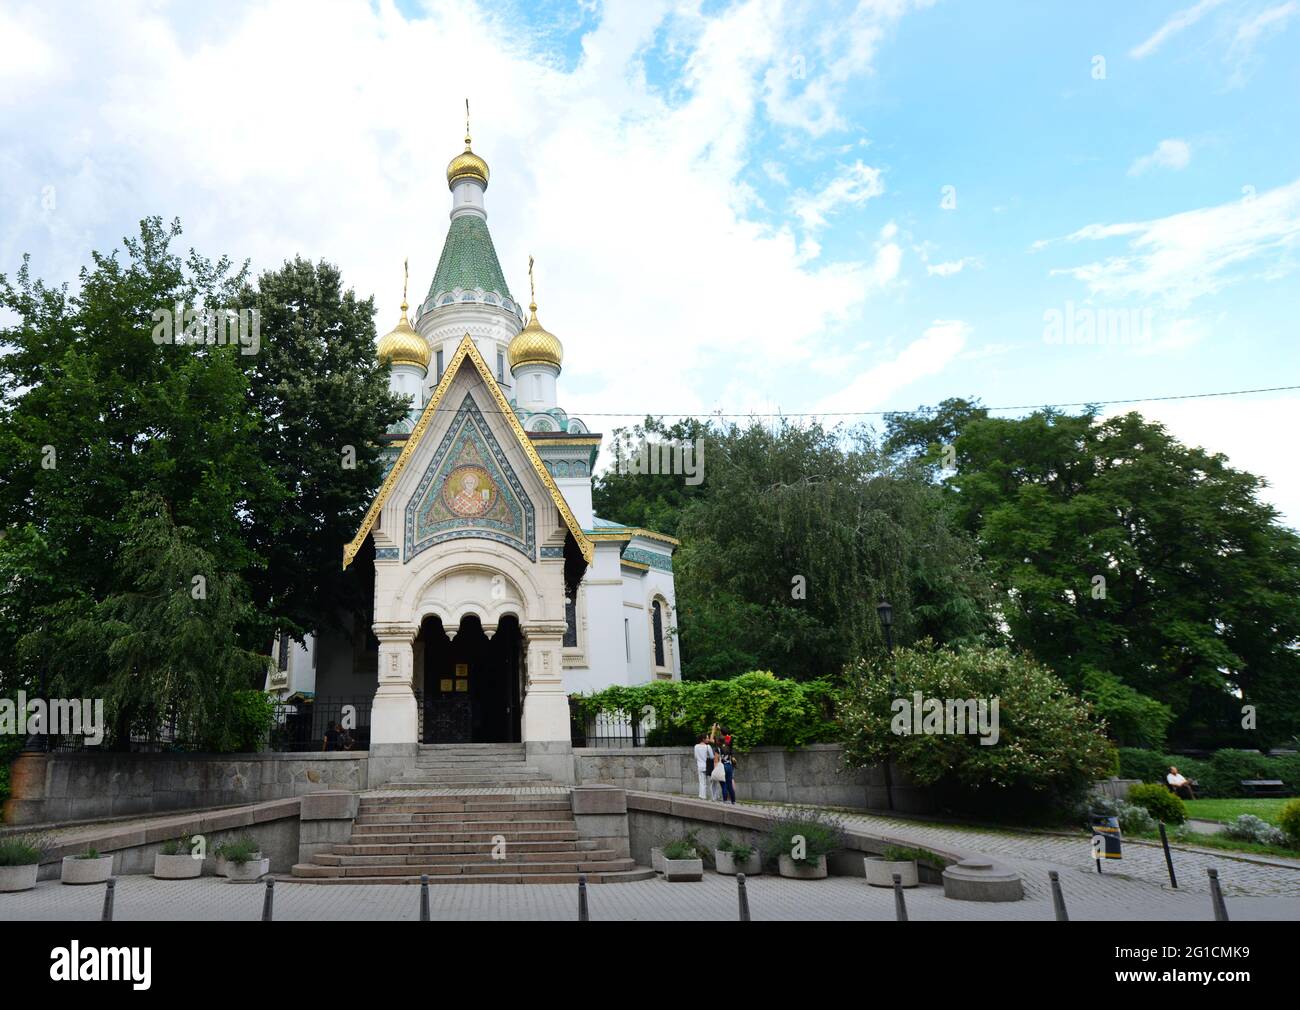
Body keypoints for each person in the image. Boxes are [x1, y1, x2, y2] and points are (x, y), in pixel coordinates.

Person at [719, 731, 737, 804]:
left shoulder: (719, 748)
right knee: (729, 784)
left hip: (722, 766)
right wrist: (724, 732)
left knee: (723, 784)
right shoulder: (729, 747)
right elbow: (729, 738)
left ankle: (725, 800)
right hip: (729, 766)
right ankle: (733, 801)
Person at [693, 734, 713, 800]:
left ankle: (702, 796)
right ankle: (713, 797)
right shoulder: (708, 747)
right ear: (703, 739)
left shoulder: (696, 746)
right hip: (708, 766)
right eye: (707, 738)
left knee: (702, 782)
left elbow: (695, 757)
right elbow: (712, 757)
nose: (708, 739)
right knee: (711, 782)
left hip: (700, 766)